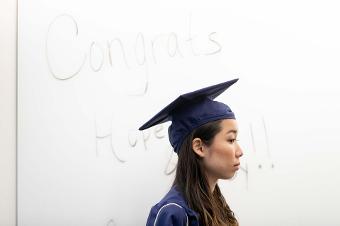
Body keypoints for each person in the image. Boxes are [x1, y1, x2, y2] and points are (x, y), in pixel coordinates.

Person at [139, 78, 244, 226]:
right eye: (231, 140)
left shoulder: (217, 204)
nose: (240, 152)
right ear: (199, 147)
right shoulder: (173, 213)